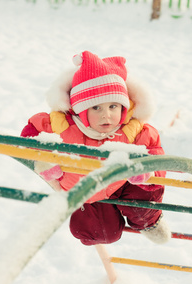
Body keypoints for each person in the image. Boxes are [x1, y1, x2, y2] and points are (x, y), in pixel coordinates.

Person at [21, 50, 171, 246]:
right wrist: (44, 161)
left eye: (113, 107)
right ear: (80, 110)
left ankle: (149, 222)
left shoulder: (135, 129)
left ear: (124, 107)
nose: (106, 116)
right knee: (102, 234)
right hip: (84, 188)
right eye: (96, 108)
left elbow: (156, 155)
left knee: (142, 200)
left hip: (121, 182)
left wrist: (146, 171)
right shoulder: (61, 125)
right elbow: (29, 136)